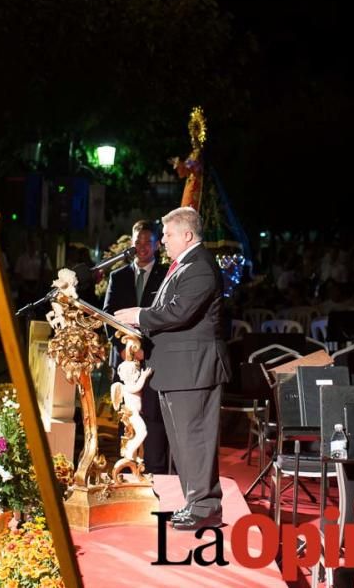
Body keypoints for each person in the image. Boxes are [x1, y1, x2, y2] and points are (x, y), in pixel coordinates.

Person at [114, 207, 230, 531]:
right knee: (183, 443)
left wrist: (138, 315)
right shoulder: (184, 265)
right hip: (179, 369)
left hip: (194, 370)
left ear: (187, 235)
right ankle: (195, 503)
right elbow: (168, 309)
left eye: (167, 235)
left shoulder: (200, 267)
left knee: (195, 441)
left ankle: (205, 506)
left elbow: (179, 312)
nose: (162, 240)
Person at [103, 221, 170, 474]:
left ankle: (155, 472)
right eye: (138, 242)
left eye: (147, 242)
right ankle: (128, 469)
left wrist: (146, 350)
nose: (142, 247)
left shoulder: (166, 275)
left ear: (157, 244)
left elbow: (166, 317)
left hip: (154, 358)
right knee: (127, 418)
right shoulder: (117, 276)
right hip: (123, 360)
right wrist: (124, 349)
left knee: (152, 418)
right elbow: (107, 315)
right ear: (132, 243)